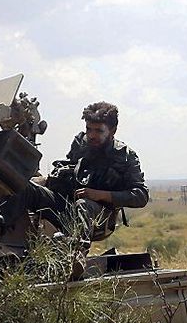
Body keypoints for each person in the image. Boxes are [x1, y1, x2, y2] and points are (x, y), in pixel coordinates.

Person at [21, 101, 149, 244]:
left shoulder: (125, 156)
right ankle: (0, 231)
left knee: (83, 204)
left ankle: (77, 253)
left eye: (99, 131)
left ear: (112, 131)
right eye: (89, 129)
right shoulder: (80, 144)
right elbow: (68, 171)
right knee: (24, 186)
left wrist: (99, 195)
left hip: (99, 217)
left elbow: (141, 195)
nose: (92, 135)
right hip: (66, 207)